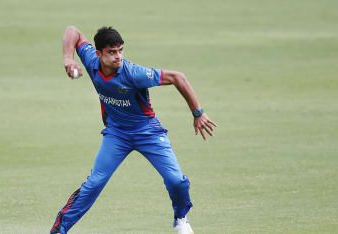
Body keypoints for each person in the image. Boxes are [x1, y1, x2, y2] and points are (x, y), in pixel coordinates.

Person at [50, 26, 217, 234]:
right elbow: (72, 31)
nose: (118, 56)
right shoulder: (91, 62)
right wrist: (68, 58)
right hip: (116, 134)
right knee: (94, 183)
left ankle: (181, 217)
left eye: (120, 50)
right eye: (112, 52)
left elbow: (178, 77)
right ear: (98, 53)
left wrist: (198, 113)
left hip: (148, 132)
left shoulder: (134, 74)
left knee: (176, 181)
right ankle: (59, 230)